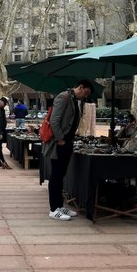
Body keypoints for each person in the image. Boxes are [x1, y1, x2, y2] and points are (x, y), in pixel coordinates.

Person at [42, 80, 93, 221]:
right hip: (60, 143)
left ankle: (59, 205)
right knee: (56, 175)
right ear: (81, 88)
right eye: (86, 93)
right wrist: (60, 139)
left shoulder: (73, 100)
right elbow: (54, 120)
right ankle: (53, 209)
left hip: (67, 142)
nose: (85, 96)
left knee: (61, 175)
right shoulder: (63, 97)